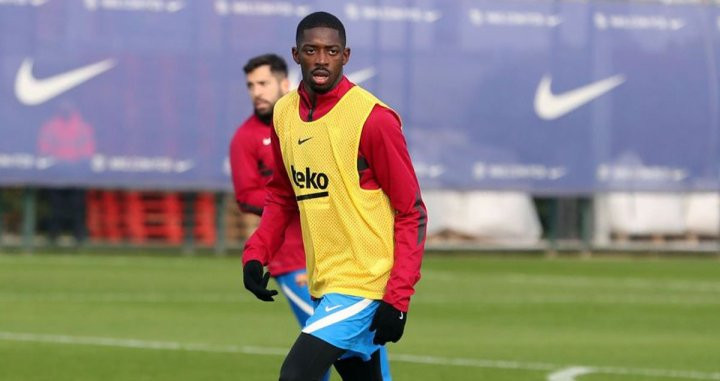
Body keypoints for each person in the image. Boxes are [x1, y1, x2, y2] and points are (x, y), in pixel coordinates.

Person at [241, 12, 427, 381]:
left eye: (332, 50)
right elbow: (281, 194)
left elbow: (412, 212)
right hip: (325, 282)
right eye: (312, 50)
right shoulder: (284, 114)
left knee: (295, 375)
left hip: (364, 284)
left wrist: (398, 297)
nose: (322, 59)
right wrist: (256, 254)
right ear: (296, 55)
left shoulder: (373, 118)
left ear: (346, 55)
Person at [230, 53, 393, 380]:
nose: (256, 91)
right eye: (250, 85)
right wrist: (300, 198)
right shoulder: (247, 137)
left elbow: (407, 206)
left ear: (283, 82)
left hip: (349, 265)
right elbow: (255, 195)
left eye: (263, 83)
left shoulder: (342, 118)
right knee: (323, 354)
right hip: (293, 261)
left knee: (315, 363)